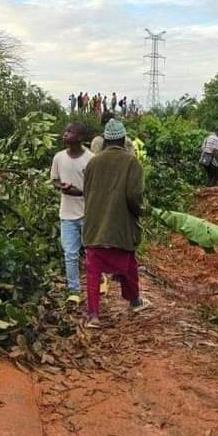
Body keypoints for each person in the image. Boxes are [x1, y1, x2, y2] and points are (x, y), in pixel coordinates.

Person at [83, 119, 149, 327]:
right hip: (120, 226)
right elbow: (134, 195)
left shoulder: (93, 162)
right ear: (123, 140)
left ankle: (93, 315)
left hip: (94, 227)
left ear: (105, 140)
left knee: (94, 271)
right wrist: (141, 210)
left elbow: (86, 192)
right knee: (128, 266)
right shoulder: (131, 162)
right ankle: (135, 301)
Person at [50, 123, 94, 294]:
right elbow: (54, 179)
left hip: (87, 213)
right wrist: (61, 186)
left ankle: (95, 285)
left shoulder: (91, 159)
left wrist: (78, 192)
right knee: (70, 254)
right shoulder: (58, 158)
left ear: (80, 138)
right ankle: (74, 290)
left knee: (92, 253)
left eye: (70, 132)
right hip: (67, 214)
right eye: (66, 131)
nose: (65, 134)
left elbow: (95, 188)